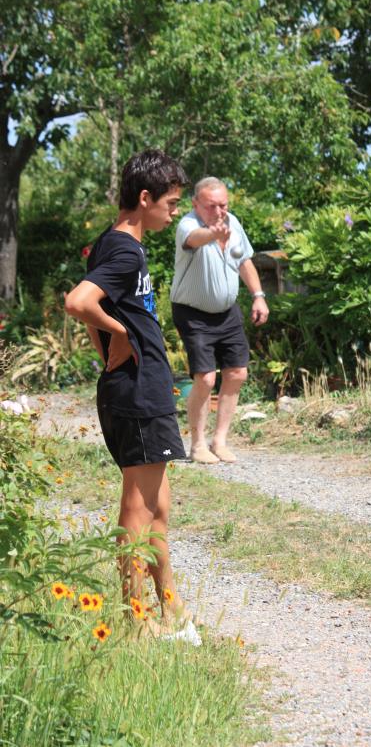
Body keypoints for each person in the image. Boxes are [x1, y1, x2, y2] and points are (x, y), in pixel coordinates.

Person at [65, 149, 198, 641]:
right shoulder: (124, 248)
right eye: (170, 202)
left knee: (158, 508)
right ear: (145, 199)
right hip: (138, 392)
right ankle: (133, 622)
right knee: (138, 511)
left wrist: (111, 338)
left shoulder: (110, 244)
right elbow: (78, 302)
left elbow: (91, 300)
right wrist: (118, 334)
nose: (173, 211)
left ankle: (173, 612)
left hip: (141, 390)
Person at [170, 177, 269, 464]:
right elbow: (194, 240)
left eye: (223, 205)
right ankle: (197, 444)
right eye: (211, 206)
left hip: (227, 311)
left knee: (237, 373)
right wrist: (214, 233)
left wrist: (258, 295)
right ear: (196, 204)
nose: (218, 211)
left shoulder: (232, 222)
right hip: (193, 312)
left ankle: (220, 441)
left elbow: (244, 260)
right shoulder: (187, 225)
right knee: (205, 378)